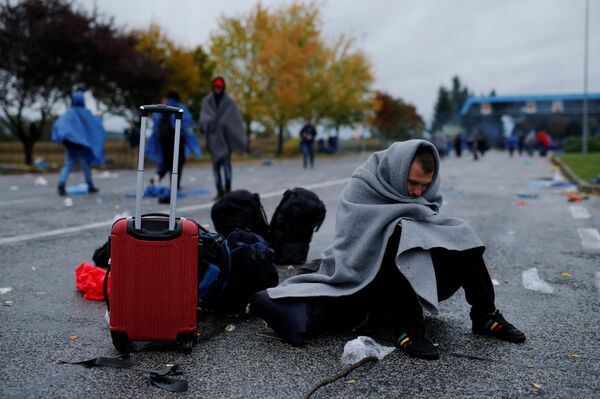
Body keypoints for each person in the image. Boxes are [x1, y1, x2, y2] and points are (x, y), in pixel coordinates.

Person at [252, 140, 525, 360]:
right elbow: (355, 244)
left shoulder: (420, 195)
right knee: (399, 234)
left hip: (413, 278)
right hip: (367, 278)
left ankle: (485, 315)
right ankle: (408, 327)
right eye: (413, 183)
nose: (418, 193)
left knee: (461, 232)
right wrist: (406, 228)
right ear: (398, 171)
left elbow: (430, 227)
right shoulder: (363, 186)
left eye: (425, 186)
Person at [199, 77, 247, 201]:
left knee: (226, 167)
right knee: (215, 168)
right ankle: (219, 191)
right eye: (215, 87)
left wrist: (225, 127)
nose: (217, 89)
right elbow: (204, 118)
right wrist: (209, 123)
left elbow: (234, 121)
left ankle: (228, 190)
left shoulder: (229, 102)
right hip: (213, 140)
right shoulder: (207, 101)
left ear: (223, 87)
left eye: (219, 87)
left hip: (226, 141)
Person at [52, 90, 105, 196]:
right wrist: (99, 117)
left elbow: (58, 125)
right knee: (85, 166)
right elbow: (95, 125)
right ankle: (90, 186)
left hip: (70, 144)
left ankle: (61, 185)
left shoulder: (68, 114)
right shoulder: (86, 114)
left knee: (68, 164)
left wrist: (60, 138)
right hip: (82, 146)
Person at [146, 91, 201, 191]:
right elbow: (187, 123)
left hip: (163, 140)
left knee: (167, 161)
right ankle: (175, 185)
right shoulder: (180, 107)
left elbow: (155, 125)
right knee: (178, 162)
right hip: (177, 139)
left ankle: (157, 177)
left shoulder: (161, 108)